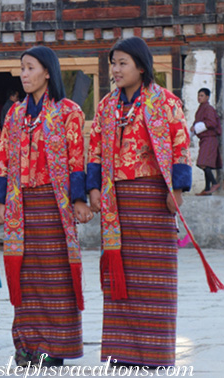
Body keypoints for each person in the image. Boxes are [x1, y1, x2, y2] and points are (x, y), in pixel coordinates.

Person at [87, 37, 197, 368]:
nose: (115, 70)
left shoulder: (164, 102)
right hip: (115, 202)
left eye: (122, 63)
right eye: (113, 64)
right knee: (121, 279)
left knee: (154, 280)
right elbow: (94, 148)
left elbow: (180, 145)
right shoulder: (107, 105)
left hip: (151, 199)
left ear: (140, 66)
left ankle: (154, 353)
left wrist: (176, 189)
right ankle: (122, 353)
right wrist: (92, 188)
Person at [0, 46, 92, 367]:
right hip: (21, 207)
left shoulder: (69, 112)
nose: (23, 75)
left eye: (30, 68)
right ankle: (27, 343)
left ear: (47, 72)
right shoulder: (14, 114)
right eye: (21, 68)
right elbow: (2, 162)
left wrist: (79, 200)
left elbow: (77, 160)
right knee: (26, 276)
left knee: (56, 276)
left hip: (54, 205)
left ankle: (55, 345)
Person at [191, 88, 222, 195]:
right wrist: (193, 127)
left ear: (207, 97)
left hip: (210, 139)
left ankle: (214, 183)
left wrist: (199, 126)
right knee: (206, 164)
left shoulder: (208, 108)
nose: (199, 97)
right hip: (204, 139)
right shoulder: (200, 108)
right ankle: (207, 188)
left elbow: (212, 123)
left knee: (202, 163)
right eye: (198, 95)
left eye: (202, 95)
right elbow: (198, 122)